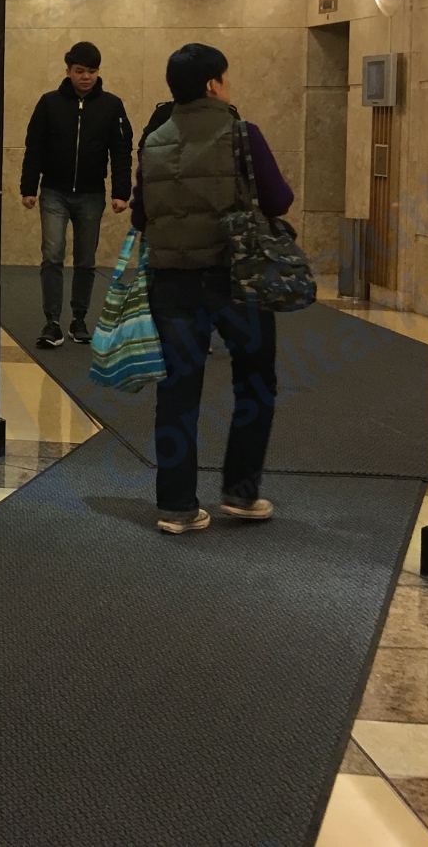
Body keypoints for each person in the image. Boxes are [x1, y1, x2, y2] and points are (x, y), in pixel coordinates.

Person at [131, 43, 291, 535]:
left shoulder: (154, 141)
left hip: (171, 282)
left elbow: (140, 216)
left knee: (178, 391)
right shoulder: (243, 134)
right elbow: (278, 199)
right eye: (226, 77)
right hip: (236, 279)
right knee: (255, 381)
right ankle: (241, 493)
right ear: (212, 85)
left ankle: (176, 506)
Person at [19, 41, 132, 348]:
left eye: (92, 71)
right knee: (52, 255)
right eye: (80, 71)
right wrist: (28, 187)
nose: (86, 77)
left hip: (91, 194)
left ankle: (79, 319)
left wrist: (121, 192)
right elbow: (34, 147)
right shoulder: (49, 103)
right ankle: (52, 322)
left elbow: (121, 151)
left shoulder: (112, 105)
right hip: (53, 192)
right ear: (68, 71)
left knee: (85, 260)